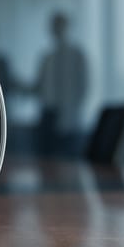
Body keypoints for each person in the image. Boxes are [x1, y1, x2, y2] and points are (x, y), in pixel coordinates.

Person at [30, 11, 88, 157]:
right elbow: (39, 87)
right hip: (47, 115)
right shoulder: (47, 57)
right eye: (54, 25)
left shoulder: (77, 55)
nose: (56, 28)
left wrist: (71, 111)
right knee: (45, 159)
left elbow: (82, 87)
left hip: (67, 117)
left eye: (59, 25)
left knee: (66, 161)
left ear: (67, 27)